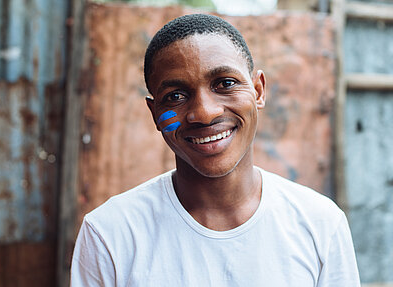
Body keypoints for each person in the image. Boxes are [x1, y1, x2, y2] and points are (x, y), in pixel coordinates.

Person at [70, 14, 360, 286]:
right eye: (176, 96)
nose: (204, 113)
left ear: (258, 91)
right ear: (154, 112)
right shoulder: (110, 233)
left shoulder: (320, 223)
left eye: (225, 83)